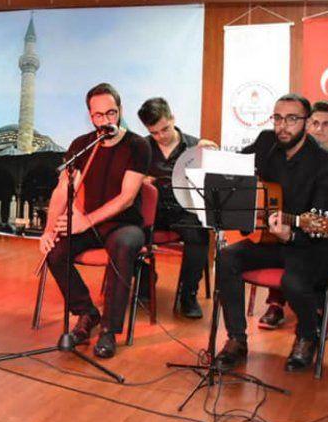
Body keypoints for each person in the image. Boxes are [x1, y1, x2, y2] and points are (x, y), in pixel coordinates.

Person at [215, 93, 328, 372]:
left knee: (293, 282)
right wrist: (212, 154)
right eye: (277, 118)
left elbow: (321, 220)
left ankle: (307, 336)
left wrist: (292, 234)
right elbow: (235, 167)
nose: (282, 126)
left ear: (307, 123)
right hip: (271, 238)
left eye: (291, 119)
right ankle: (236, 339)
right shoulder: (266, 143)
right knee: (226, 258)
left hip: (312, 244)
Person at [39, 83, 150, 359]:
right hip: (88, 223)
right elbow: (62, 190)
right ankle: (87, 313)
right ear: (90, 116)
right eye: (98, 115)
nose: (106, 120)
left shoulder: (137, 145)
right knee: (55, 251)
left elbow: (126, 198)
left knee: (123, 246)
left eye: (111, 113)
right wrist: (48, 230)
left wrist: (85, 220)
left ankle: (109, 331)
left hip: (125, 224)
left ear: (120, 110)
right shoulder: (82, 145)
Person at [257, 100, 328, 330]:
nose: (319, 129)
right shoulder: (286, 152)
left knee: (309, 252)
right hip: (287, 223)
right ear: (307, 124)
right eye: (315, 123)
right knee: (276, 240)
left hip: (324, 226)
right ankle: (276, 304)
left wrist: (324, 205)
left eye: (326, 124)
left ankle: (313, 313)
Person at [136, 97, 216, 319]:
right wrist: (141, 180)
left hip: (184, 211)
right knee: (126, 232)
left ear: (172, 118)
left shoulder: (195, 146)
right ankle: (145, 278)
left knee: (199, 234)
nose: (161, 136)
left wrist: (211, 156)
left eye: (165, 129)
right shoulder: (142, 148)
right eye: (154, 133)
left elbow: (212, 181)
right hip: (152, 212)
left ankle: (188, 295)